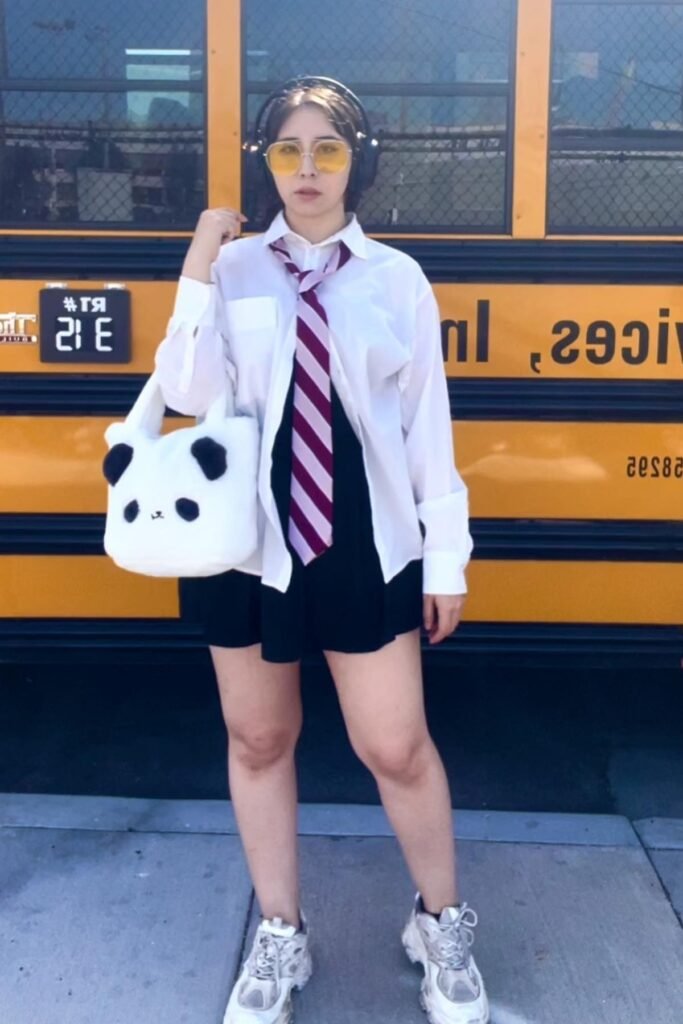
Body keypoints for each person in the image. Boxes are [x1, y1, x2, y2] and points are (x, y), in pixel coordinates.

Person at [153, 76, 489, 1024]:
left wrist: (445, 557)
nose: (306, 170)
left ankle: (439, 920)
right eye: (287, 150)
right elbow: (184, 387)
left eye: (326, 150)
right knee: (259, 740)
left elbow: (428, 430)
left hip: (360, 536)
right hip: (246, 542)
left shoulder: (395, 280)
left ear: (357, 161)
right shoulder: (235, 269)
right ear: (266, 162)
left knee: (395, 745)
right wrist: (196, 266)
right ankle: (280, 934)